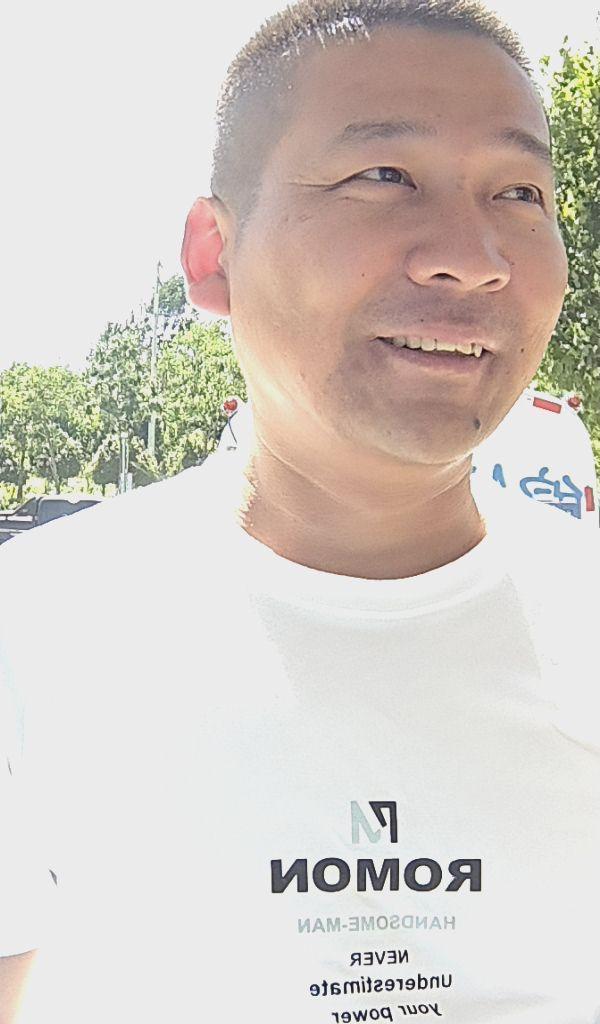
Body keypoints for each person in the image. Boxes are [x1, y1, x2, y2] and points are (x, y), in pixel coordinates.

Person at [1, 1, 599, 1021]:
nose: (473, 255)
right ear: (213, 254)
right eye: (386, 176)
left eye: (518, 192)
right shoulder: (33, 633)